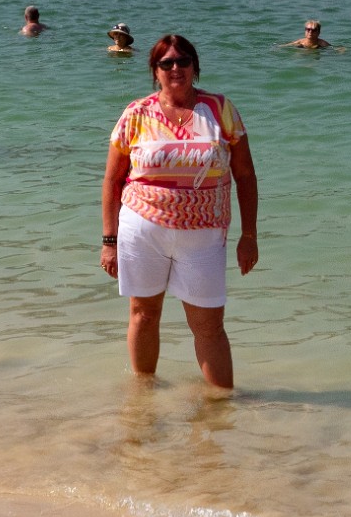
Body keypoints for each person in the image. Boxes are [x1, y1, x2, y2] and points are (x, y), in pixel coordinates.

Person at [99, 35, 257, 389]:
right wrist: (109, 241)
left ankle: (221, 408)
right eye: (166, 63)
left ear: (194, 67)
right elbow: (112, 180)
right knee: (143, 315)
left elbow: (246, 175)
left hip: (204, 235)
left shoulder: (220, 109)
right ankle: (143, 399)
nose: (175, 68)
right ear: (155, 71)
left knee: (209, 327)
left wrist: (249, 235)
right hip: (142, 230)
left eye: (183, 61)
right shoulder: (136, 113)